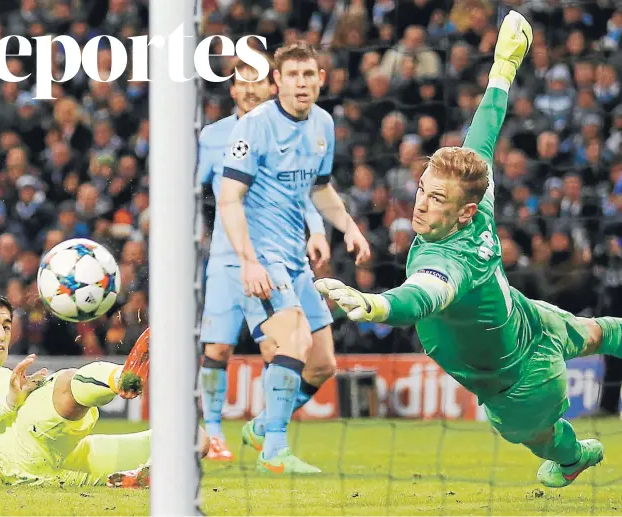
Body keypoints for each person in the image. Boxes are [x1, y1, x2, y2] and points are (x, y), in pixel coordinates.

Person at [316, 11, 617, 488]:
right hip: (532, 320)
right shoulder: (478, 199)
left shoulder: (446, 262)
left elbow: (422, 295)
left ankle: (575, 454)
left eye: (436, 199)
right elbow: (484, 132)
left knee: (543, 441)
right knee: (599, 333)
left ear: (464, 215)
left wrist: (376, 304)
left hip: (520, 386)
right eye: (422, 188)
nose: (420, 204)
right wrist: (503, 67)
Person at [216, 42, 371, 474]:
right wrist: (248, 260)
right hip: (259, 258)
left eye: (309, 75)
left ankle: (264, 425)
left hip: (295, 259)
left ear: (321, 79)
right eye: (293, 75)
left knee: (323, 365)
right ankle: (275, 451)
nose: (302, 83)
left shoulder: (322, 123)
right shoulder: (255, 127)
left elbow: (319, 188)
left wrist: (347, 227)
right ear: (276, 82)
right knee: (295, 342)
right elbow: (229, 200)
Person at [0, 289, 209, 488]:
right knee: (66, 383)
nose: (0, 334)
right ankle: (122, 378)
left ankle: (143, 475)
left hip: (45, 468)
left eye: (6, 326)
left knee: (193, 438)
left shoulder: (6, 376)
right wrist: (9, 401)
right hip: (16, 448)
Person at [198, 58, 333, 461]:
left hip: (271, 254)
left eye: (258, 82)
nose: (251, 89)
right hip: (228, 256)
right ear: (233, 90)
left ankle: (267, 433)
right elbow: (198, 189)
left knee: (284, 350)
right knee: (219, 349)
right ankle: (216, 432)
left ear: (269, 86)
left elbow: (299, 188)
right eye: (243, 83)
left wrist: (317, 229)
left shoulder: (287, 129)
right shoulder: (212, 136)